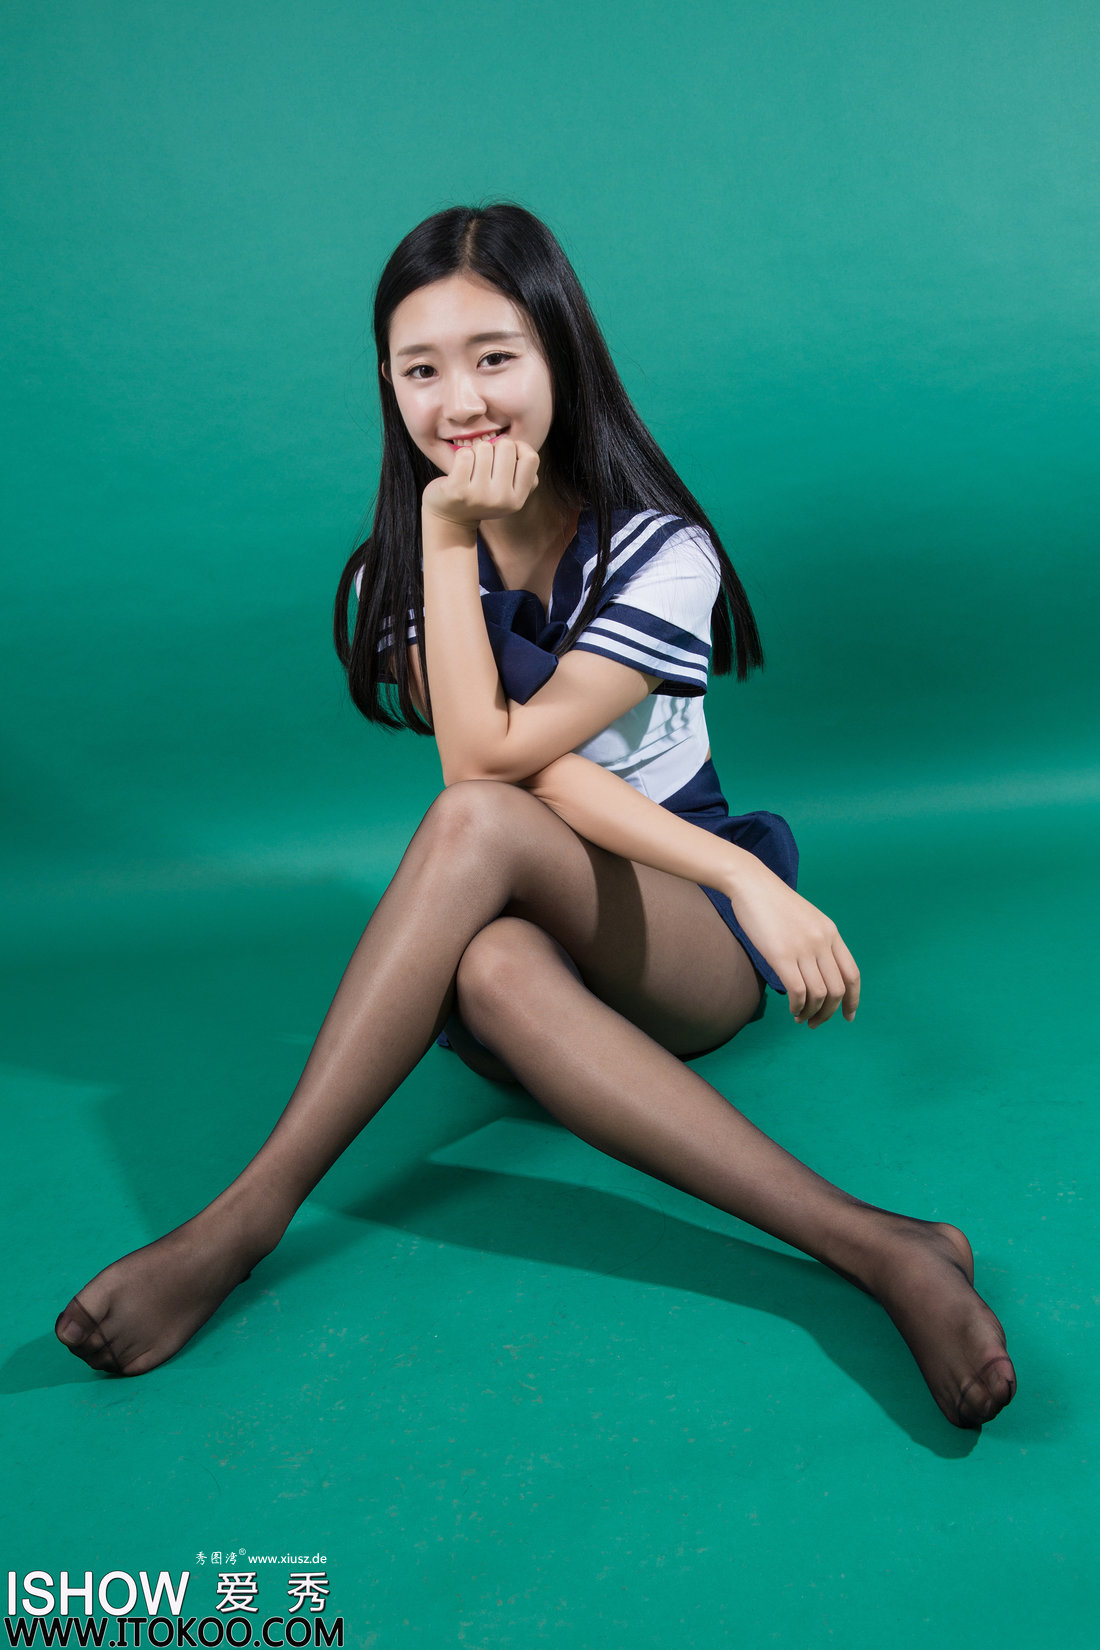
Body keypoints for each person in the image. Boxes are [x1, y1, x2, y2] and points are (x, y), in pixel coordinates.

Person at [54, 201, 1016, 1429]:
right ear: (386, 384)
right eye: (420, 369)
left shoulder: (660, 553)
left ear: (560, 354)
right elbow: (491, 763)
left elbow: (496, 777)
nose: (459, 401)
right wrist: (443, 535)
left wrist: (741, 881)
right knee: (492, 952)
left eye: (494, 357)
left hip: (681, 935)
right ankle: (882, 1243)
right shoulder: (401, 564)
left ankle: (242, 1220)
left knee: (471, 825)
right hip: (523, 948)